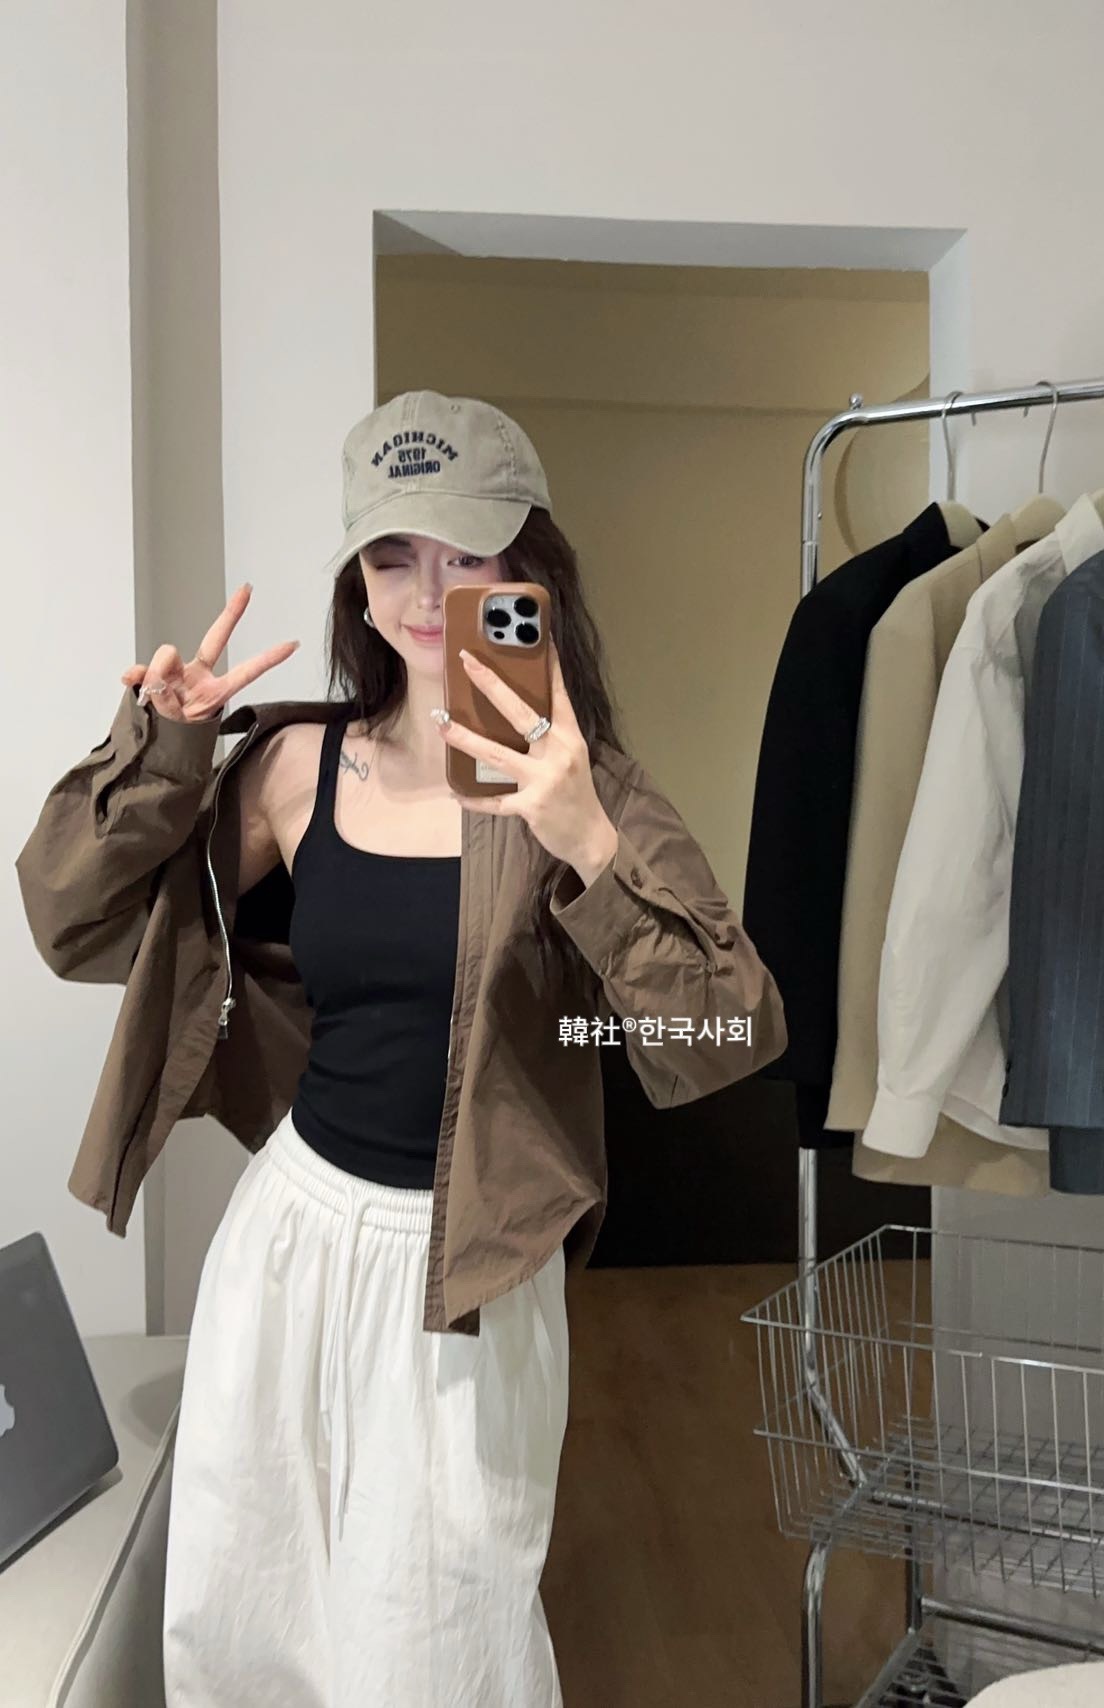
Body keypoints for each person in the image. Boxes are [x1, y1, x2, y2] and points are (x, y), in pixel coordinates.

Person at [18, 388, 787, 1706]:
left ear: (529, 569)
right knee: (244, 1621)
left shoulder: (583, 782)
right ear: (357, 587)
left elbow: (729, 1029)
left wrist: (588, 846)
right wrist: (163, 751)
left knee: (439, 1652)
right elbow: (76, 927)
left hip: (473, 1269)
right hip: (294, 1237)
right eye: (392, 556)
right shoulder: (295, 769)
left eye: (466, 552)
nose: (427, 593)